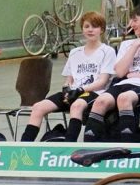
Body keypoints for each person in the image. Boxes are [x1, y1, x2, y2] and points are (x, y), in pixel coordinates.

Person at [20, 11, 116, 143]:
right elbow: (69, 79)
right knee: (38, 107)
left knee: (76, 107)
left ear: (102, 29)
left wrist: (81, 90)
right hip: (73, 92)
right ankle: (22, 147)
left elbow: (102, 81)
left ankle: (68, 146)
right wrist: (66, 89)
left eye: (94, 26)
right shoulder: (75, 52)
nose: (90, 30)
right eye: (87, 26)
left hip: (94, 93)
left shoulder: (107, 51)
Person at [85, 3, 140, 142]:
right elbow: (120, 72)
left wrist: (137, 75)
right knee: (100, 102)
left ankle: (128, 148)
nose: (131, 24)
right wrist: (136, 45)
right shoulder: (127, 44)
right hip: (125, 83)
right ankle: (89, 149)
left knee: (124, 99)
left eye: (135, 20)